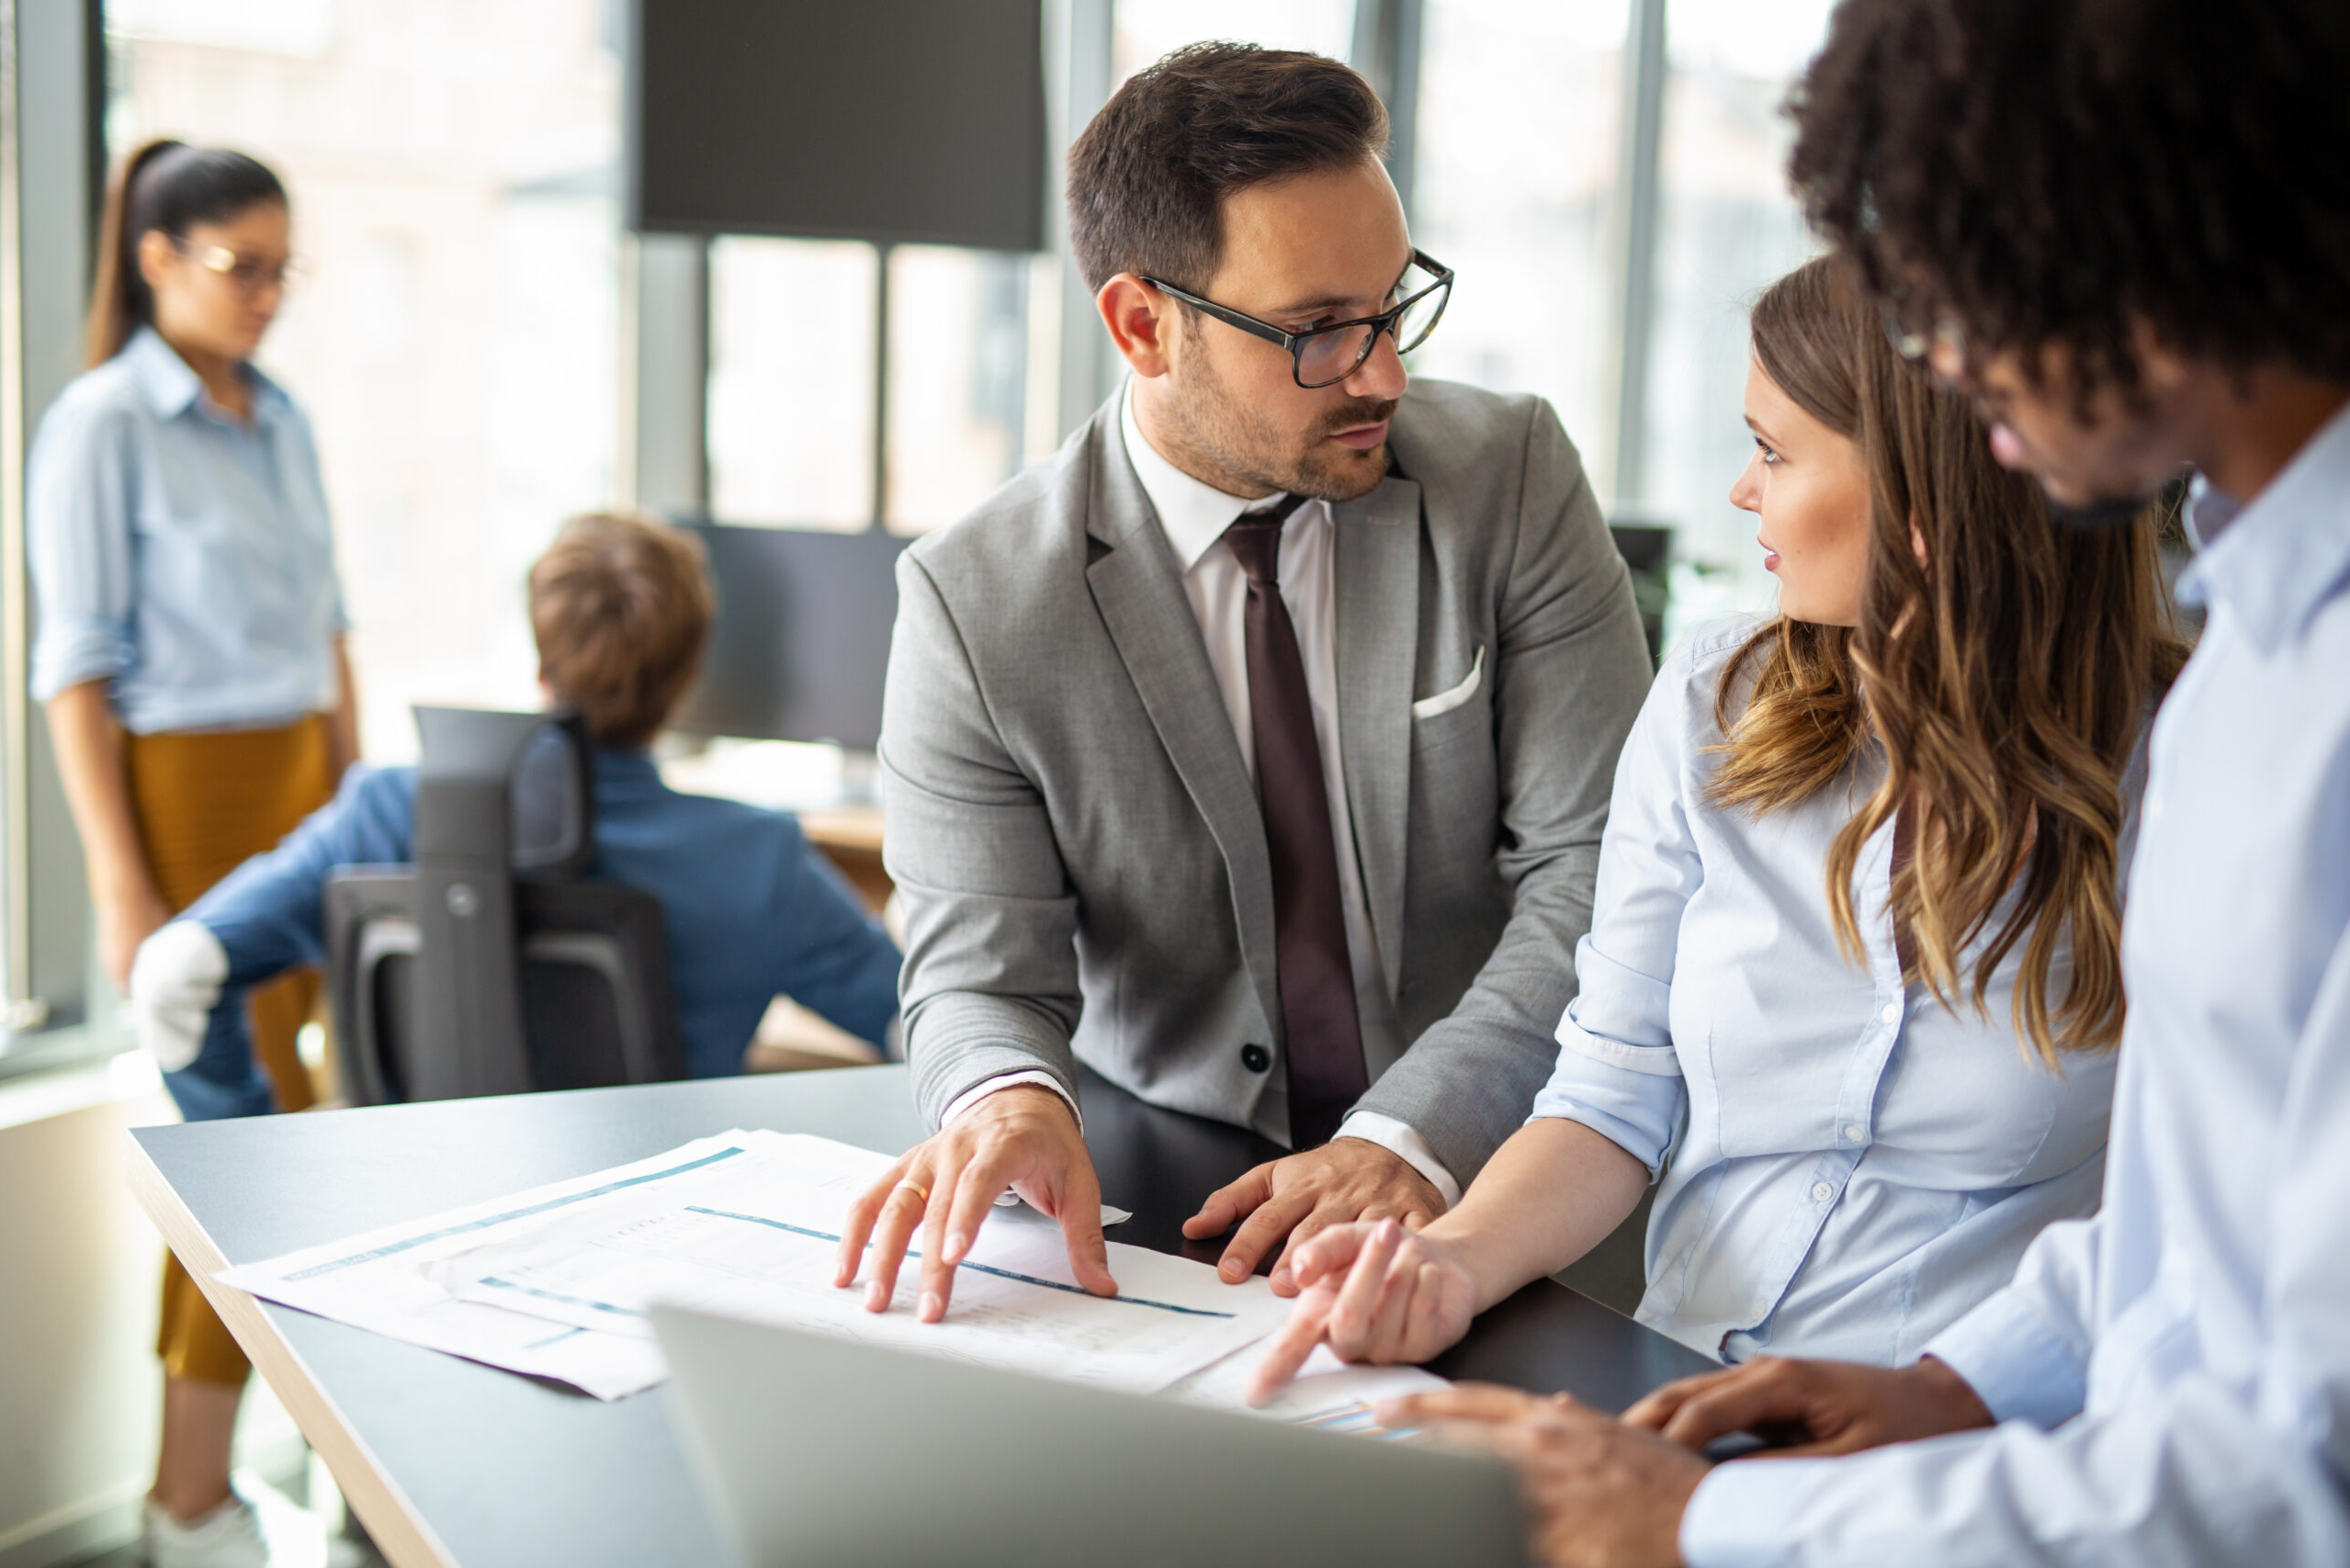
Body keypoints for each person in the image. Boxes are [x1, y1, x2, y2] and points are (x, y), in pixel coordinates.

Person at [1372, 2, 2350, 1564]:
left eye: (1966, 277)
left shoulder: (2275, 712)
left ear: (2133, 226)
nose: (1949, 356)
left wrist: (1734, 1522)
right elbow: (2187, 1241)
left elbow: (2296, 1460)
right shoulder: (2262, 650)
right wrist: (1958, 1386)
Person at [1249, 254, 2180, 1402]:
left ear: (1926, 503)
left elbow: (2202, 1222)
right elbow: (1610, 1090)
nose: (1743, 493)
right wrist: (1448, 1261)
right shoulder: (1713, 699)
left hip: (1966, 1449)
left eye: (1775, 453)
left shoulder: (2183, 767)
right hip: (1672, 1388)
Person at [836, 43, 1654, 1324]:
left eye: (1393, 305)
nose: (1382, 371)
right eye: (1320, 330)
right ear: (1141, 323)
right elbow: (980, 975)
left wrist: (1411, 1133)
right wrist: (1009, 1098)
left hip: (1499, 1180)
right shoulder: (977, 598)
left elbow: (1605, 871)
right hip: (1172, 1211)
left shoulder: (1512, 480)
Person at [28, 139, 360, 1567]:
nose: (269, 294)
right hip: (188, 801)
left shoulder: (281, 415)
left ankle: (249, 1485)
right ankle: (188, 1500)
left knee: (318, 1139)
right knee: (239, 1149)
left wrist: (357, 812)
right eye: (243, 266)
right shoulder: (101, 422)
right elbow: (76, 675)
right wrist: (121, 882)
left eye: (285, 266)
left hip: (302, 789)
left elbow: (331, 632)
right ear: (157, 256)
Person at [130, 511, 903, 1094]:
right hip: (647, 1271)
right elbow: (930, 1033)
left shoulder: (391, 809)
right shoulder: (756, 856)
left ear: (542, 657)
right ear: (684, 680)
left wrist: (252, 1179)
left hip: (413, 1263)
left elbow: (173, 974)